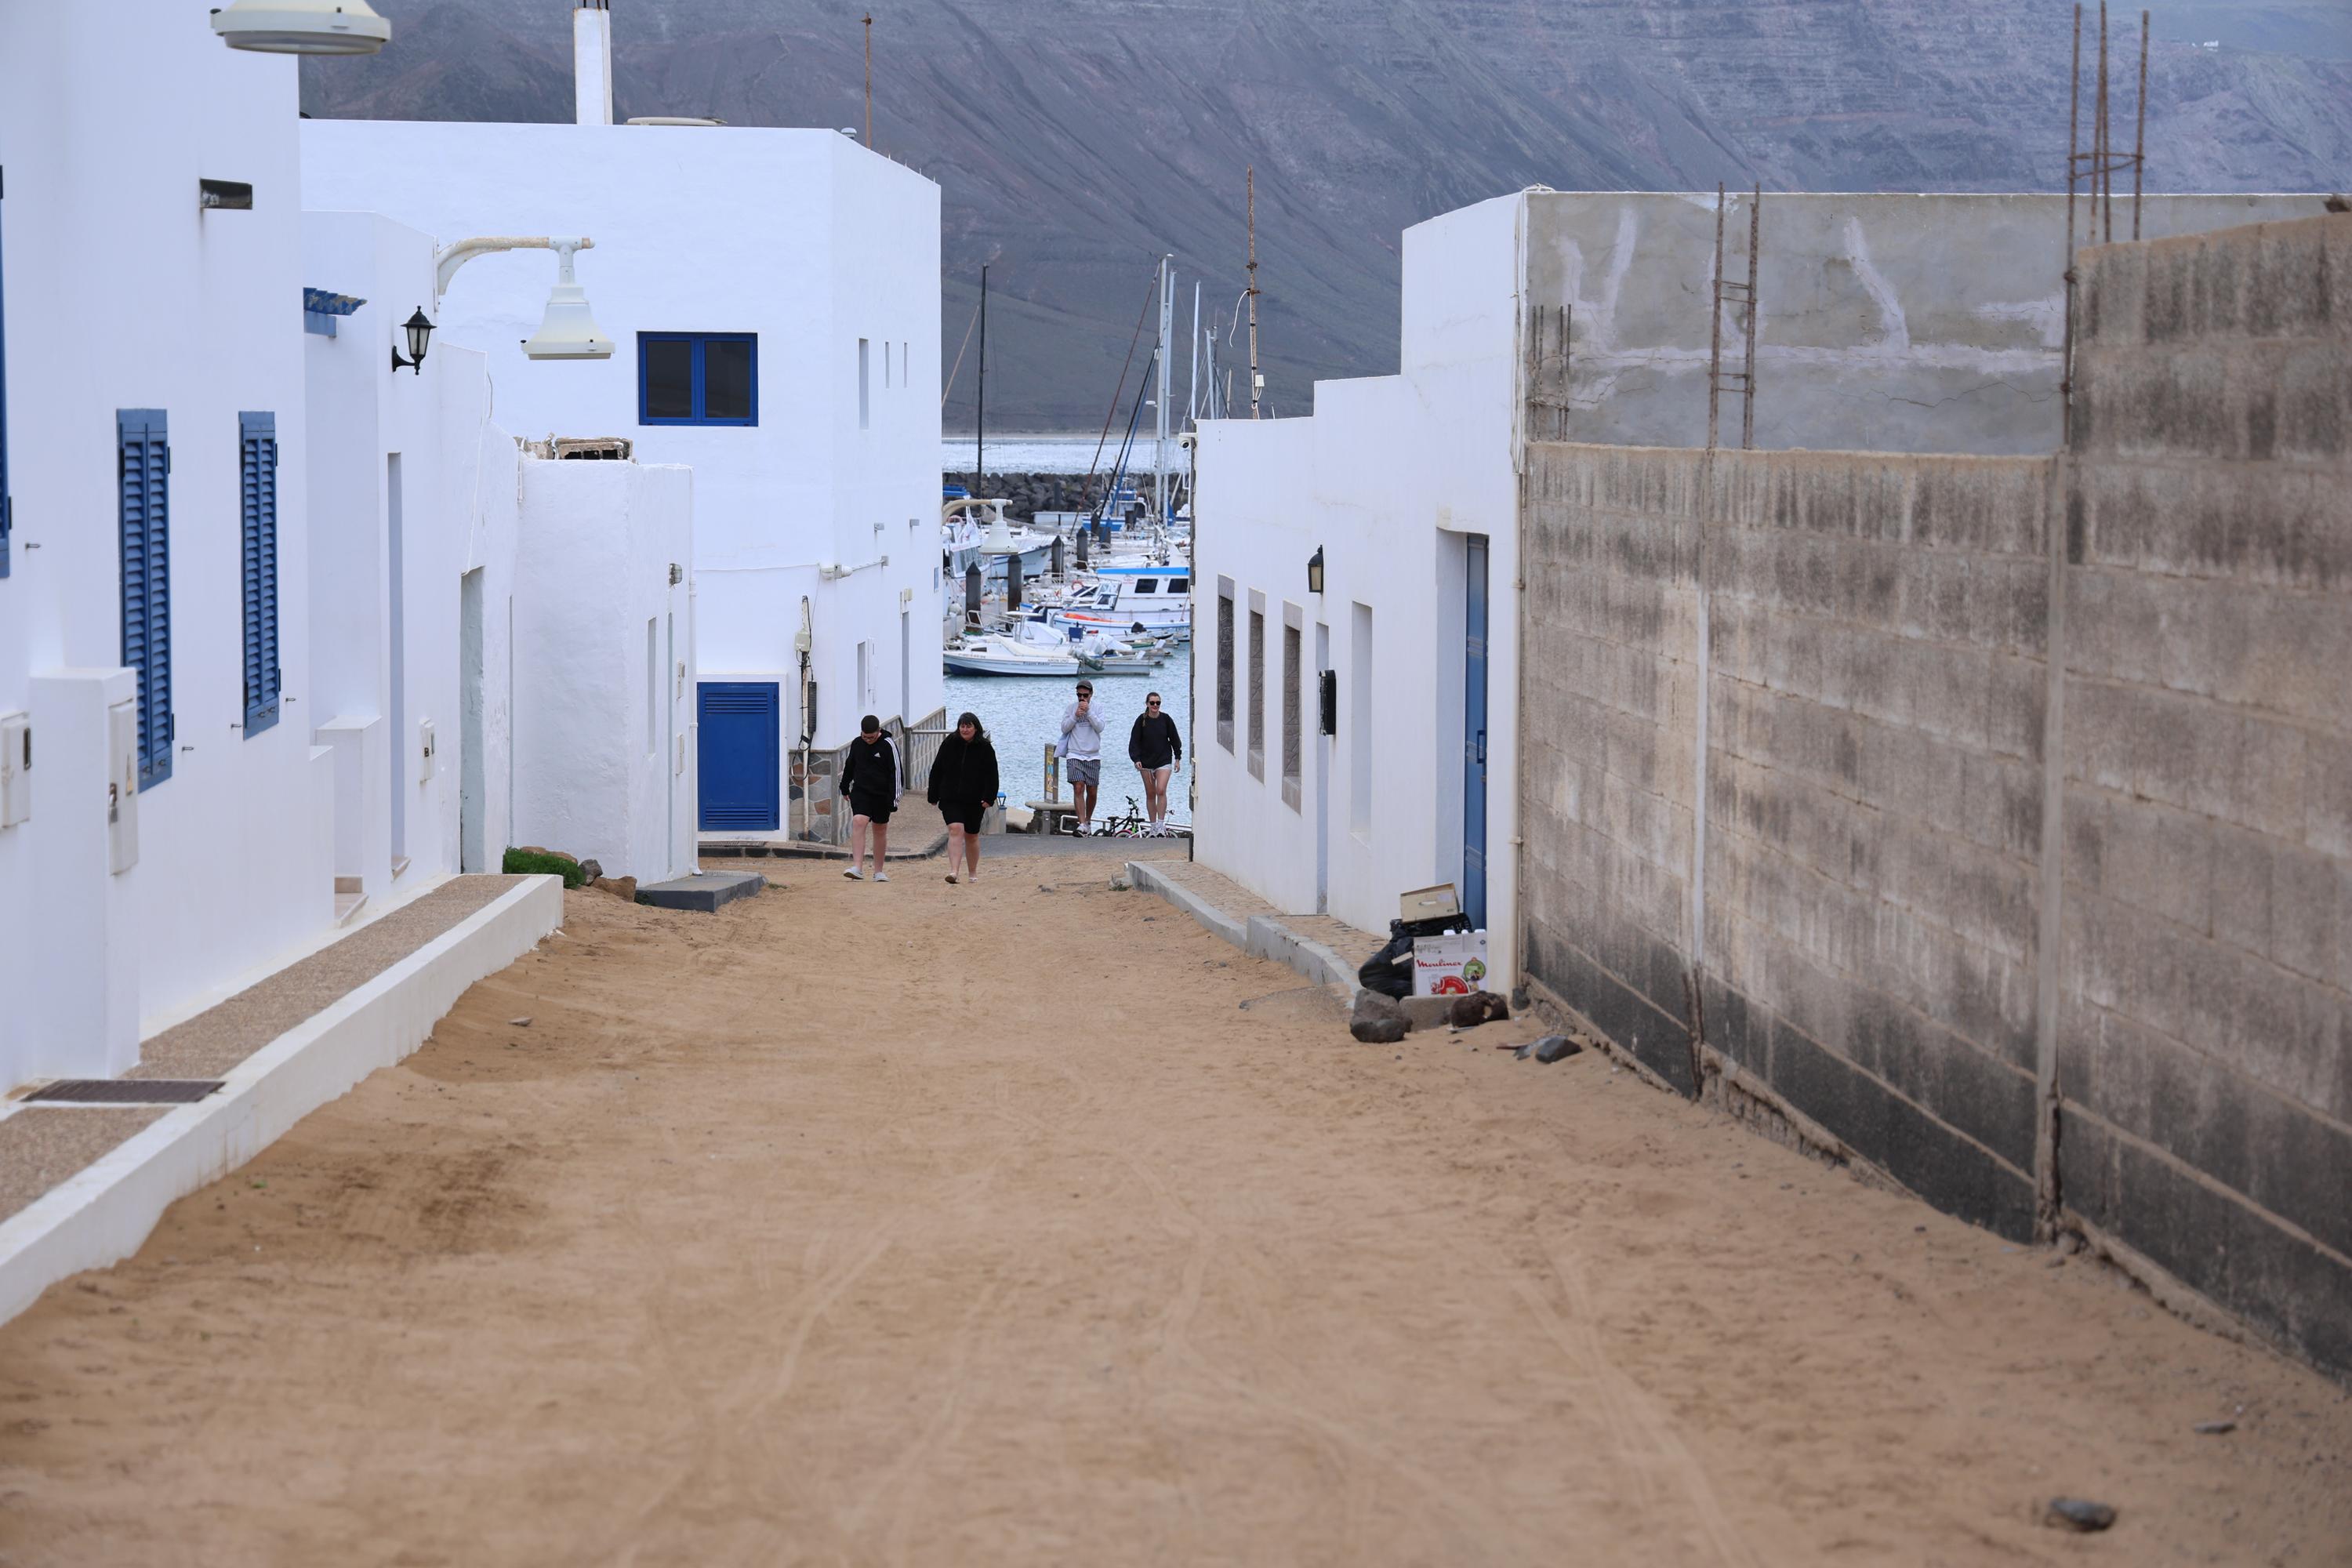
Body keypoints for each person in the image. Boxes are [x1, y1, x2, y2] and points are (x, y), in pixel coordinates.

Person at [927, 711, 1000, 884]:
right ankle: (954, 872)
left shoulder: (985, 748)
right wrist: (933, 794)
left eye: (968, 726)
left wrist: (989, 797)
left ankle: (972, 872)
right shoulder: (949, 743)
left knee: (971, 835)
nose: (965, 729)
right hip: (950, 797)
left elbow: (992, 775)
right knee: (955, 829)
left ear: (976, 728)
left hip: (975, 800)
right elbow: (937, 769)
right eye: (962, 726)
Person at [840, 714, 900, 882]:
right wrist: (844, 786)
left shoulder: (888, 745)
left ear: (878, 732)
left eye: (871, 737)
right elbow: (850, 765)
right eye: (865, 737)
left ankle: (878, 871)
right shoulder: (857, 743)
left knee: (880, 829)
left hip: (882, 795)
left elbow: (896, 772)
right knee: (859, 821)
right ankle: (857, 867)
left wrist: (894, 799)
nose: (867, 740)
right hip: (861, 792)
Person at [1058, 678, 1110, 835]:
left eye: (1085, 695)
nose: (1082, 698)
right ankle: (1081, 824)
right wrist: (1075, 716)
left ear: (1091, 695)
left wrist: (1088, 712)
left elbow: (1100, 727)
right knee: (1078, 786)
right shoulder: (1070, 708)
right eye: (1079, 695)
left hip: (1093, 755)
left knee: (1092, 791)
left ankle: (1088, 820)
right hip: (1074, 753)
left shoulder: (1098, 708)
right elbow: (1064, 728)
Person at [1128, 691, 1182, 836]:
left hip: (1163, 759)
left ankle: (1160, 825)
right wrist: (1136, 759)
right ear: (1147, 704)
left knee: (1161, 790)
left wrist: (1178, 758)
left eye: (1158, 703)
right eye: (1152, 703)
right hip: (1146, 762)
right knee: (1151, 794)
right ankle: (1153, 827)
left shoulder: (1166, 719)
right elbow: (1134, 742)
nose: (1155, 705)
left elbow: (1175, 739)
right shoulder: (1141, 720)